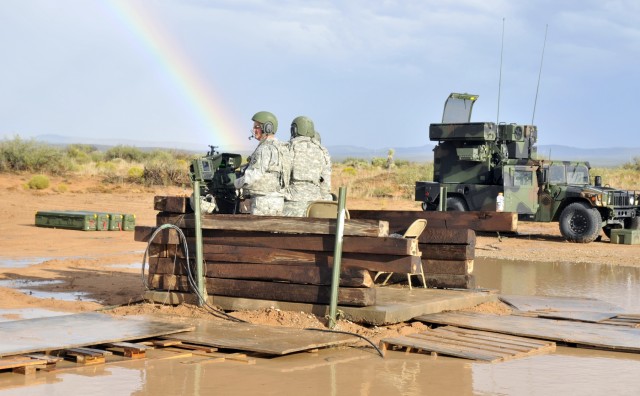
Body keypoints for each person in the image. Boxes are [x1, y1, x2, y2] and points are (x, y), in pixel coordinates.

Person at [234, 111, 290, 216]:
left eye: (257, 127)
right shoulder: (284, 148)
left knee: (260, 231)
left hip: (263, 202)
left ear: (267, 128)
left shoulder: (264, 149)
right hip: (279, 201)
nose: (254, 130)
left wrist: (235, 183)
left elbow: (254, 175)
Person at [283, 116, 332, 216]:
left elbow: (282, 178)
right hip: (314, 207)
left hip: (291, 205)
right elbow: (325, 184)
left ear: (294, 129)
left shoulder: (288, 148)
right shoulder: (322, 151)